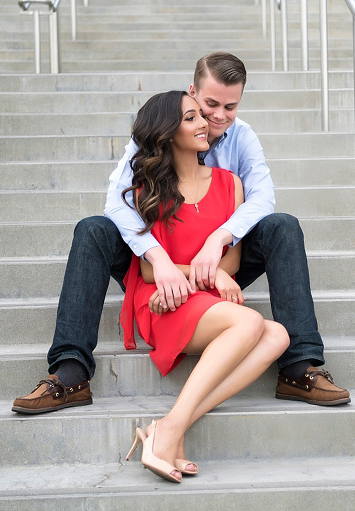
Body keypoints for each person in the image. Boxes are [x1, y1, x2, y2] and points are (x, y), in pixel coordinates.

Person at [11, 52, 348, 416]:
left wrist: (219, 239)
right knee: (93, 229)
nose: (218, 116)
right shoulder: (161, 133)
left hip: (220, 259)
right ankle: (71, 371)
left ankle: (298, 367)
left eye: (230, 106)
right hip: (159, 258)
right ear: (192, 94)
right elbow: (115, 202)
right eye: (209, 105)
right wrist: (159, 259)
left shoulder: (241, 142)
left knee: (282, 225)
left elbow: (262, 198)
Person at [120, 90, 289, 482]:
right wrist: (209, 276)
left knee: (278, 335)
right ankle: (170, 433)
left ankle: (170, 426)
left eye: (202, 116)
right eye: (192, 118)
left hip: (203, 301)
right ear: (167, 132)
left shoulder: (231, 184)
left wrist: (215, 273)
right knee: (249, 324)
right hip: (164, 300)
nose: (205, 124)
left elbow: (229, 261)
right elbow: (149, 272)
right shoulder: (149, 188)